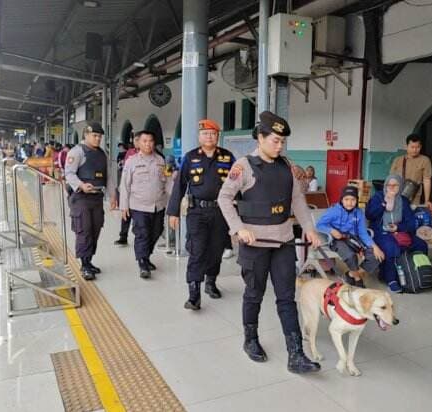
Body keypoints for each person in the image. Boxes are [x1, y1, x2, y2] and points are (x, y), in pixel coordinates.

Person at [218, 111, 322, 374]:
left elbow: (297, 199)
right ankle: (250, 339)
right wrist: (238, 229)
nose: (279, 146)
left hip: (284, 241)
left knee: (287, 298)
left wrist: (309, 228)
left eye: (282, 142)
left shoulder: (286, 165)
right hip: (255, 244)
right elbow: (224, 198)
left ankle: (296, 354)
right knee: (254, 294)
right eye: (275, 140)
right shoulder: (244, 166)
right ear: (261, 138)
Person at [167, 119, 235, 310]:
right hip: (196, 212)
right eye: (205, 134)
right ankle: (194, 294)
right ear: (199, 136)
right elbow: (179, 185)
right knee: (197, 250)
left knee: (215, 250)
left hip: (221, 212)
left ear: (218, 136)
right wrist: (173, 212)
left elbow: (238, 183)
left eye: (213, 133)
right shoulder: (190, 157)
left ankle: (211, 282)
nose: (209, 137)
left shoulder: (228, 157)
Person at [64, 122, 117, 280]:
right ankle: (84, 265)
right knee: (84, 230)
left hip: (97, 198)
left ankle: (89, 260)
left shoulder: (102, 153)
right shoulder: (77, 152)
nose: (97, 139)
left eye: (99, 136)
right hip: (81, 198)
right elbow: (69, 173)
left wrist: (113, 195)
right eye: (94, 136)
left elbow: (108, 177)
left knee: (95, 229)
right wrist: (81, 185)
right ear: (86, 135)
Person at [120, 131, 171, 278]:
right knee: (142, 234)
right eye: (144, 141)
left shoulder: (161, 160)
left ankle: (146, 256)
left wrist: (174, 201)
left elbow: (167, 182)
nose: (148, 144)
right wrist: (124, 206)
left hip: (158, 205)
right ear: (139, 143)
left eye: (150, 141)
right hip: (139, 206)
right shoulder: (131, 161)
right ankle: (142, 262)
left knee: (156, 232)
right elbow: (124, 185)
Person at [366, 174, 428, 293]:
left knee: (421, 245)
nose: (392, 187)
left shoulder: (403, 200)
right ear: (385, 185)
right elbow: (370, 215)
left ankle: (417, 273)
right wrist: (384, 203)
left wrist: (398, 227)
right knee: (391, 247)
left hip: (400, 231)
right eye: (389, 185)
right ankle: (391, 279)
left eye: (395, 185)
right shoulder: (378, 197)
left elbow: (411, 222)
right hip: (381, 231)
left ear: (400, 186)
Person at [316, 185, 385, 287]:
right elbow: (319, 224)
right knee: (350, 256)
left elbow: (362, 232)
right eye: (346, 199)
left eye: (353, 199)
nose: (349, 202)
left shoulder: (359, 213)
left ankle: (351, 274)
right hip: (337, 240)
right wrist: (331, 230)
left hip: (354, 239)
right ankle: (357, 278)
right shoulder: (334, 211)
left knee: (376, 256)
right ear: (342, 200)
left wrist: (375, 246)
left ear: (357, 200)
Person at [390, 133, 432, 208]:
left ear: (421, 147)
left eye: (417, 147)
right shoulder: (398, 160)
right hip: (397, 195)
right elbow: (391, 179)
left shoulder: (425, 160)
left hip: (415, 197)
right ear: (406, 147)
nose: (415, 150)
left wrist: (427, 200)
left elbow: (427, 180)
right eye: (412, 147)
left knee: (411, 216)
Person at [115, 137, 140, 246]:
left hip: (140, 192)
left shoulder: (151, 154)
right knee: (126, 214)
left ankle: (139, 239)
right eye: (135, 140)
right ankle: (123, 236)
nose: (135, 142)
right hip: (129, 189)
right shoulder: (130, 152)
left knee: (139, 218)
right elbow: (125, 170)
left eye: (137, 140)